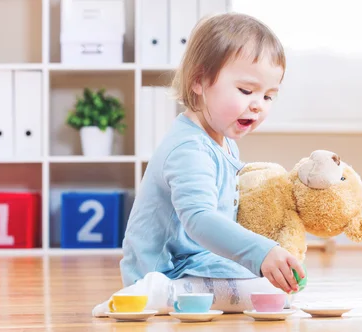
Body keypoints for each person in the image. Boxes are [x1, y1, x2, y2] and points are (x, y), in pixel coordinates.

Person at [93, 12, 305, 316]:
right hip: (168, 268)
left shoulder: (221, 139)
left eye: (269, 96)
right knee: (272, 295)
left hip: (196, 260)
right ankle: (155, 293)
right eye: (246, 90)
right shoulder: (189, 148)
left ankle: (170, 295)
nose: (258, 104)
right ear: (199, 82)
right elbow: (200, 219)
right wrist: (262, 252)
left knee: (277, 289)